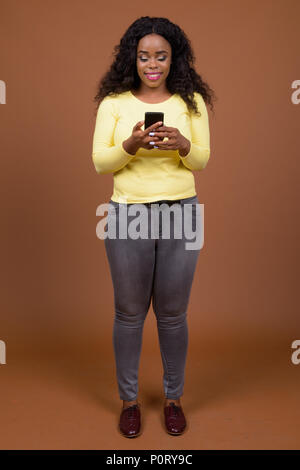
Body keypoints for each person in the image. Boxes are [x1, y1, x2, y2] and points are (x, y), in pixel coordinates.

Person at [91, 16, 216, 438]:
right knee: (128, 313)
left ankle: (173, 398)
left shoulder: (191, 100)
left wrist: (183, 144)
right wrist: (130, 145)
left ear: (172, 58)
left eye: (161, 56)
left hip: (181, 213)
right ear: (133, 58)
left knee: (172, 314)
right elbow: (99, 162)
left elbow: (200, 160)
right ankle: (129, 402)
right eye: (144, 56)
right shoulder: (113, 103)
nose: (152, 64)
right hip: (128, 214)